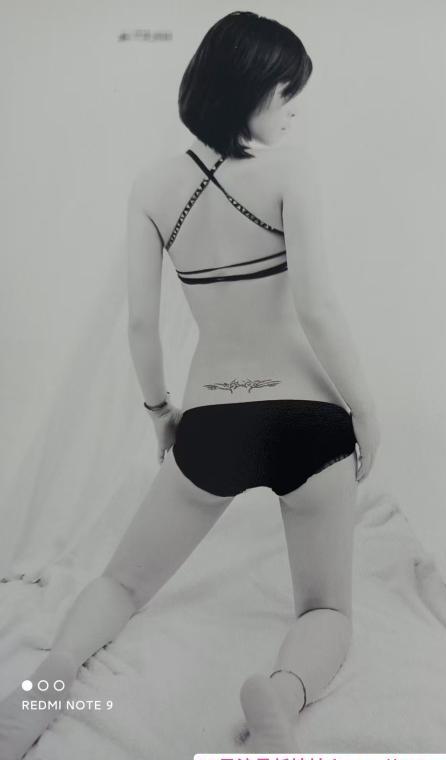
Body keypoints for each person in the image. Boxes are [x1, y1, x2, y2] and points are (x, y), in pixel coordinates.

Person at [0, 10, 380, 757]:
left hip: (214, 423)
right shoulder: (291, 172)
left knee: (121, 585)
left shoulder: (152, 186)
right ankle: (280, 699)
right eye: (286, 92)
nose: (293, 111)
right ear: (249, 88)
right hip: (310, 421)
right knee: (327, 610)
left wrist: (160, 415)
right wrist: (365, 412)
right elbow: (318, 307)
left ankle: (42, 688)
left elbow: (142, 326)